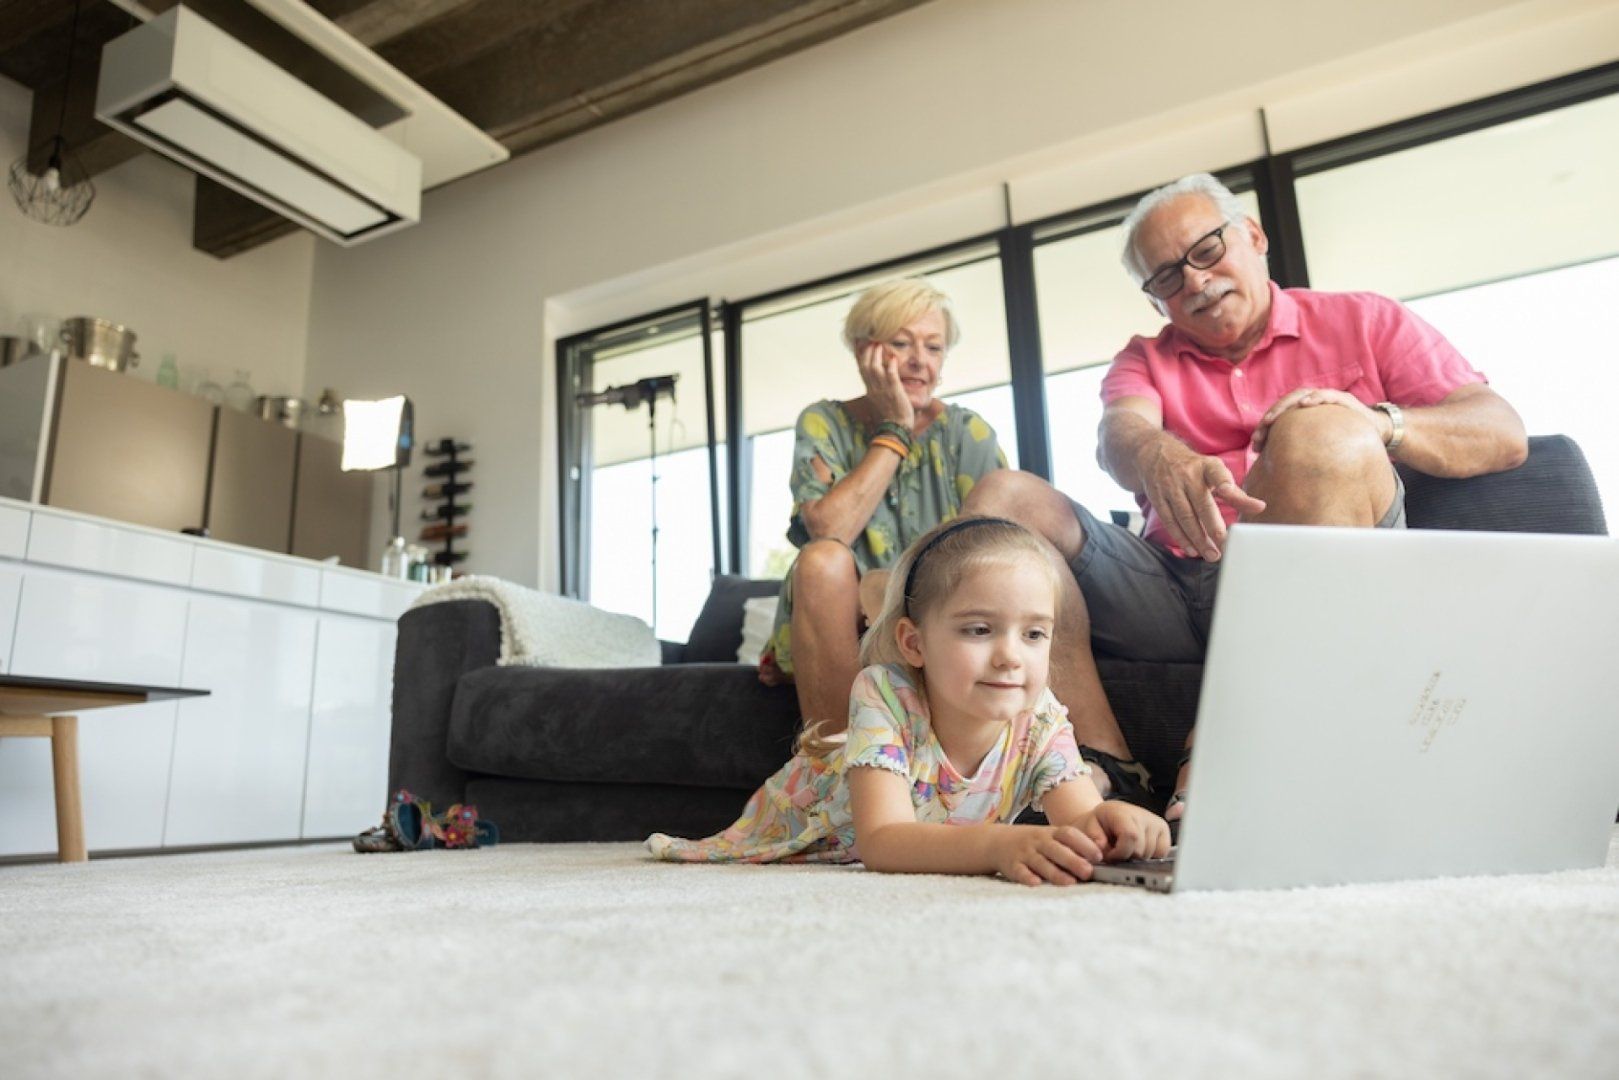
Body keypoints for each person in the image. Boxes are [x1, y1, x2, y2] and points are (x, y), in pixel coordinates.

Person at [964, 172, 1528, 820]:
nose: (1196, 283)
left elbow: (1501, 431)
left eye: (1206, 251)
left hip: (1309, 566)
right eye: (1167, 278)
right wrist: (1156, 453)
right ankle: (1103, 768)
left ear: (1253, 236)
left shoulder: (1364, 318)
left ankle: (1228, 740)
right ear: (1155, 302)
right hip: (1170, 582)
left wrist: (1372, 423)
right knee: (1003, 497)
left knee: (1319, 431)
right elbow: (1119, 433)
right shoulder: (1144, 359)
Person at [649, 517, 1171, 884]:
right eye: (980, 629)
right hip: (804, 828)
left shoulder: (1040, 717)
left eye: (1034, 634)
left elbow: (1079, 817)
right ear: (914, 643)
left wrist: (1117, 823)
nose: (1011, 656)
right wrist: (998, 845)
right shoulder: (884, 693)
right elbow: (883, 841)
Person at [757, 279, 1005, 732]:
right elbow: (828, 531)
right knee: (822, 560)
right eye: (900, 344)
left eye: (934, 348)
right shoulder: (824, 422)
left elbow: (1001, 561)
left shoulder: (968, 435)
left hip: (940, 617)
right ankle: (836, 770)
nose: (919, 362)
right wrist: (894, 430)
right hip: (841, 618)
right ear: (864, 353)